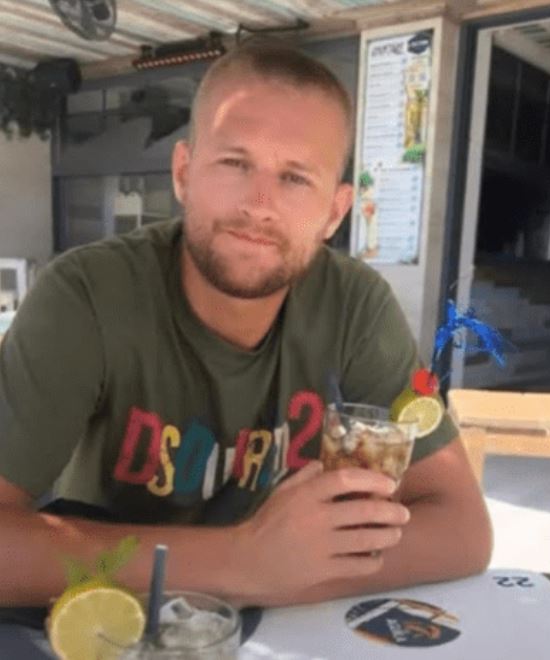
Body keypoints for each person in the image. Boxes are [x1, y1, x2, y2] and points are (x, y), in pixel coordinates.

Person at [0, 41, 491, 609]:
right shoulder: (84, 296)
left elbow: (462, 529)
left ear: (334, 212)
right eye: (235, 163)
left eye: (295, 178)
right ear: (184, 173)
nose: (259, 205)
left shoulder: (357, 307)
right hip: (118, 625)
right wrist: (242, 561)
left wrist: (281, 574)